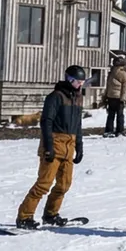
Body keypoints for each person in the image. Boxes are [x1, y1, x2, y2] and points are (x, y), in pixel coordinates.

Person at [15, 64, 87, 229]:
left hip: (69, 144)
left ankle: (51, 214)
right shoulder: (55, 97)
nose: (80, 85)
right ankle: (24, 217)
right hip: (54, 143)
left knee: (64, 184)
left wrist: (79, 145)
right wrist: (48, 146)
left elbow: (78, 124)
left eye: (82, 82)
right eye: (77, 82)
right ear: (69, 79)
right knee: (44, 184)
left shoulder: (78, 98)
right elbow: (46, 121)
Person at [103, 61, 126, 137]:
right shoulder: (124, 74)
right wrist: (123, 97)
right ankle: (120, 130)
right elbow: (125, 88)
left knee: (110, 115)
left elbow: (108, 85)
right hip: (118, 97)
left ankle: (108, 130)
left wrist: (105, 96)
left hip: (110, 96)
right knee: (120, 115)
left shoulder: (111, 73)